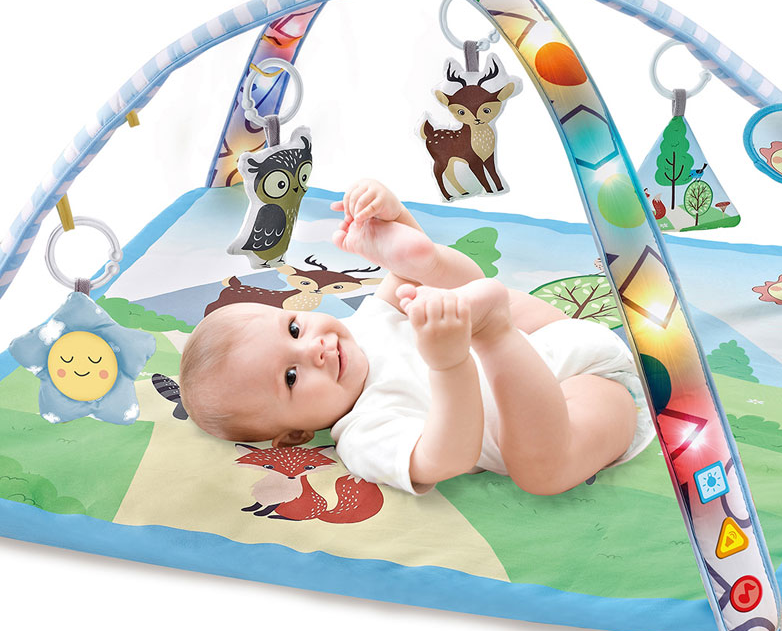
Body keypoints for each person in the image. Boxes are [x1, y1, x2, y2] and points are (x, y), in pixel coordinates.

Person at [180, 179, 653, 496]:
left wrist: (397, 226)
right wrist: (449, 365)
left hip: (549, 333)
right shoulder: (363, 434)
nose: (314, 350)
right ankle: (491, 332)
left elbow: (415, 281)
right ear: (296, 436)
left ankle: (443, 272)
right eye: (290, 376)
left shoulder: (366, 324)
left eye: (294, 329)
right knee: (541, 472)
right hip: (582, 397)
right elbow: (448, 458)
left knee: (429, 281)